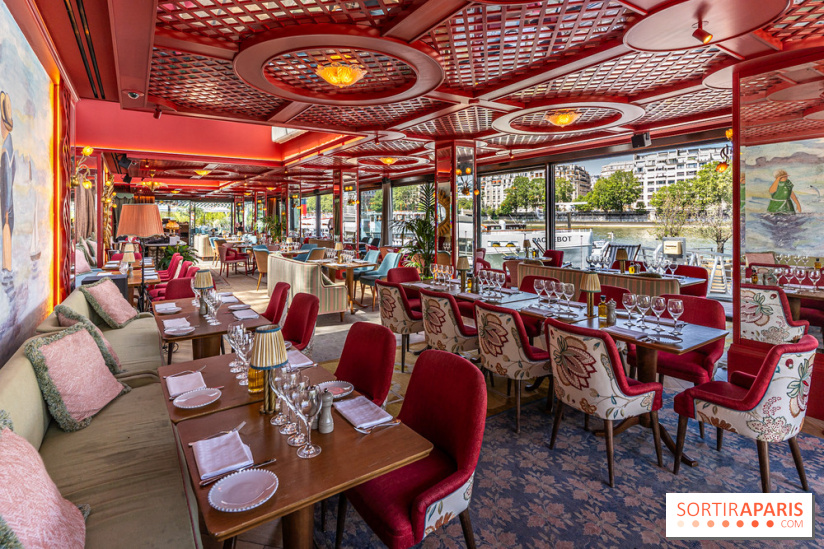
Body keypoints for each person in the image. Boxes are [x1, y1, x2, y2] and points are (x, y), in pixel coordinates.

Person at [1, 91, 15, 273]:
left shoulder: (7, 148)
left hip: (7, 202)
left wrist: (6, 207)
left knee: (8, 227)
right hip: (6, 202)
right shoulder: (6, 148)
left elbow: (8, 178)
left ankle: (7, 264)